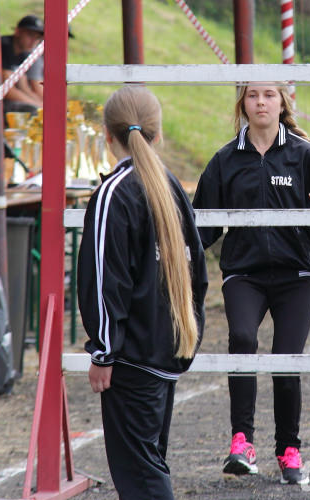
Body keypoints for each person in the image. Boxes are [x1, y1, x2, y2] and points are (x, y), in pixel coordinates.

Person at [192, 83, 310, 485]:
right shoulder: (225, 160)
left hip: (297, 275)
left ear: (282, 102)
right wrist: (173, 254)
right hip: (245, 272)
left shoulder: (305, 156)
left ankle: (289, 450)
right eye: (253, 95)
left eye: (269, 94)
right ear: (242, 104)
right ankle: (241, 443)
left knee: (286, 360)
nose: (261, 102)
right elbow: (201, 226)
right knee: (241, 339)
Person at [77, 86, 208, 500]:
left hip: (132, 359)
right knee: (150, 466)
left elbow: (104, 282)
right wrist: (189, 336)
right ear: (159, 133)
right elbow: (199, 274)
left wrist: (103, 352)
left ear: (106, 134)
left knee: (142, 479)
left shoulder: (113, 194)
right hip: (167, 351)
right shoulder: (170, 186)